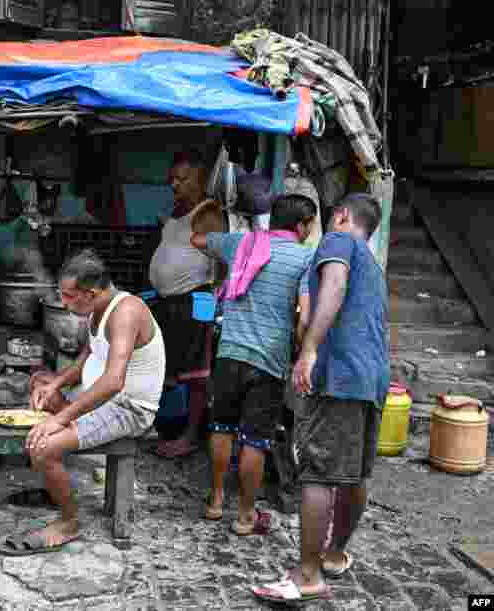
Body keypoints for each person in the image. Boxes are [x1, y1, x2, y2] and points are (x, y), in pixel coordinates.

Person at [254, 194, 389, 606]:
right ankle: (332, 554)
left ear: (343, 217)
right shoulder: (374, 267)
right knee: (354, 474)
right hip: (371, 379)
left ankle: (307, 575)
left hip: (339, 376)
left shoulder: (338, 241)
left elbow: (333, 284)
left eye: (331, 218)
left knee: (317, 474)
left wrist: (310, 348)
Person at [0, 249, 164, 555]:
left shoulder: (125, 311)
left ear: (91, 292)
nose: (65, 303)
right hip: (100, 398)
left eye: (71, 297)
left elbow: (114, 382)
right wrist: (56, 384)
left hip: (129, 408)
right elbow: (89, 355)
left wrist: (60, 418)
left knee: (43, 447)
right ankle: (56, 486)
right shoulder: (96, 309)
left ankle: (68, 522)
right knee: (39, 383)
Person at [191, 194, 317, 535]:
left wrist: (207, 206)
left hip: (229, 353)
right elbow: (305, 316)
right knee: (255, 439)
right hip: (269, 359)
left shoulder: (242, 243)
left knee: (221, 428)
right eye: (310, 226)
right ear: (302, 225)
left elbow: (198, 238)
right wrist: (304, 349)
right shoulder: (306, 258)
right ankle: (246, 513)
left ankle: (216, 501)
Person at [147, 153, 225, 458]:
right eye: (172, 178)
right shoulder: (181, 211)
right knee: (166, 367)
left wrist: (216, 298)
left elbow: (222, 257)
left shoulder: (209, 213)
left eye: (182, 178)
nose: (174, 184)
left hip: (195, 301)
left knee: (195, 375)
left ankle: (190, 436)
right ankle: (164, 428)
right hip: (171, 302)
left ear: (201, 180)